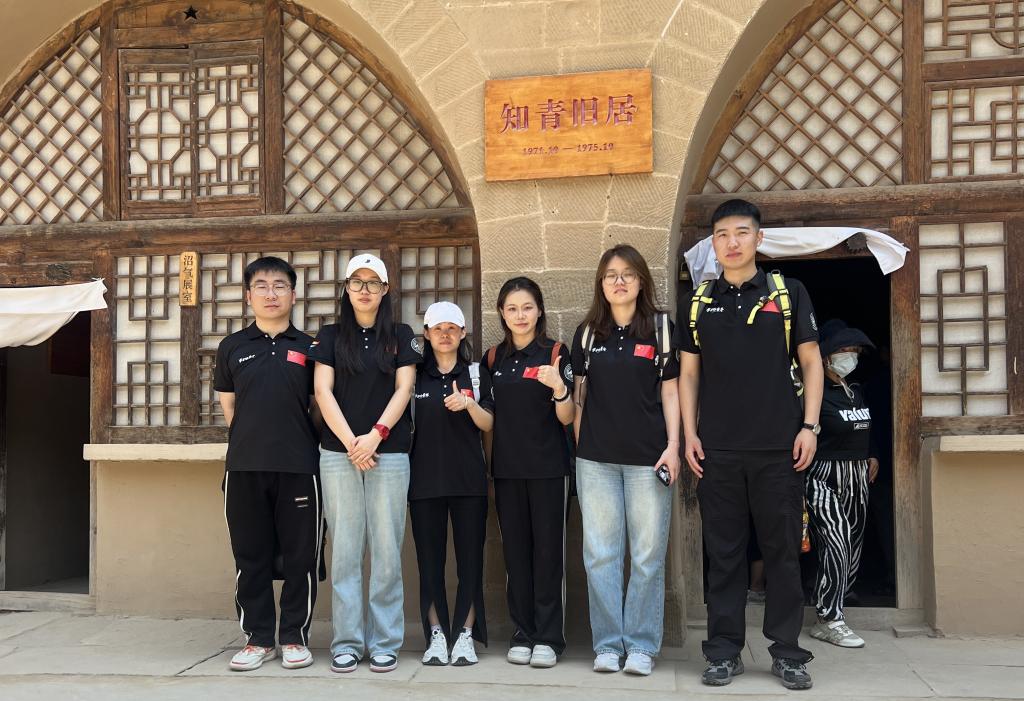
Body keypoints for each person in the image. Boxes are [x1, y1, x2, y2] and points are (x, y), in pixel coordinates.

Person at [677, 199, 824, 691]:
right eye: (722, 234)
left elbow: (812, 361)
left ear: (758, 239)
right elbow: (689, 374)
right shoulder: (699, 301)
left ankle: (787, 652)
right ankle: (723, 652)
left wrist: (809, 427)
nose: (732, 242)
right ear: (713, 244)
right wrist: (691, 433)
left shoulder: (788, 293)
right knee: (724, 555)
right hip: (717, 450)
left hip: (780, 448)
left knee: (782, 554)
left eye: (742, 232)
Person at [570, 244, 681, 676]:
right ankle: (607, 644)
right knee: (600, 555)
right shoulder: (587, 333)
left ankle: (640, 645)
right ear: (601, 284)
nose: (619, 282)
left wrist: (673, 446)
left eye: (628, 274)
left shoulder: (660, 329)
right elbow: (580, 398)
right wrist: (583, 447)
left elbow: (670, 391)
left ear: (641, 281)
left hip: (648, 460)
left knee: (648, 555)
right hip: (596, 462)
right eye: (611, 275)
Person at [309, 253, 420, 674]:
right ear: (346, 288)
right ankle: (348, 642)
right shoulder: (330, 336)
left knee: (388, 551)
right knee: (346, 551)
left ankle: (386, 641)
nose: (365, 290)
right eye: (357, 281)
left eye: (374, 282)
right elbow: (322, 391)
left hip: (388, 454)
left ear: (386, 290)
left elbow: (404, 388)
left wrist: (375, 436)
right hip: (339, 455)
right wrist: (351, 443)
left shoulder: (401, 335)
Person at [215, 256, 321, 672]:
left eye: (280, 285)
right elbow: (230, 408)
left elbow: (317, 407)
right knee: (250, 555)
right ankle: (258, 639)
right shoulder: (232, 347)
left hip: (299, 466)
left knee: (300, 557)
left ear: (293, 295)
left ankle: (294, 637)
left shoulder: (311, 348)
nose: (271, 293)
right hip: (244, 466)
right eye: (261, 285)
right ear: (248, 296)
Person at [482, 277, 575, 668]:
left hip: (550, 470)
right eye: (512, 309)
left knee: (549, 554)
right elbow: (488, 422)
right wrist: (489, 472)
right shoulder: (492, 359)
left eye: (527, 307)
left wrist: (559, 388)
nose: (520, 315)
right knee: (516, 555)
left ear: (539, 311)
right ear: (502, 314)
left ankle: (549, 638)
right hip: (507, 472)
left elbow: (567, 417)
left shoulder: (555, 352)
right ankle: (523, 632)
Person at [410, 301, 493, 667]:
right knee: (429, 564)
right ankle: (437, 634)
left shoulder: (475, 374)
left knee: (470, 563)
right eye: (437, 328)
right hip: (423, 483)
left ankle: (464, 635)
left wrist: (469, 404)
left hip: (469, 483)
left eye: (452, 328)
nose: (445, 334)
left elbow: (489, 423)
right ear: (426, 334)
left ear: (463, 333)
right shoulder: (414, 375)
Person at [806, 319, 877, 648]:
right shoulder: (813, 393)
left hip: (858, 476)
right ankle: (829, 619)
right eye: (843, 350)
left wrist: (872, 455)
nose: (851, 356)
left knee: (853, 544)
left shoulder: (856, 390)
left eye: (855, 351)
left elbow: (866, 429)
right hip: (822, 475)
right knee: (837, 540)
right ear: (825, 356)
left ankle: (835, 601)